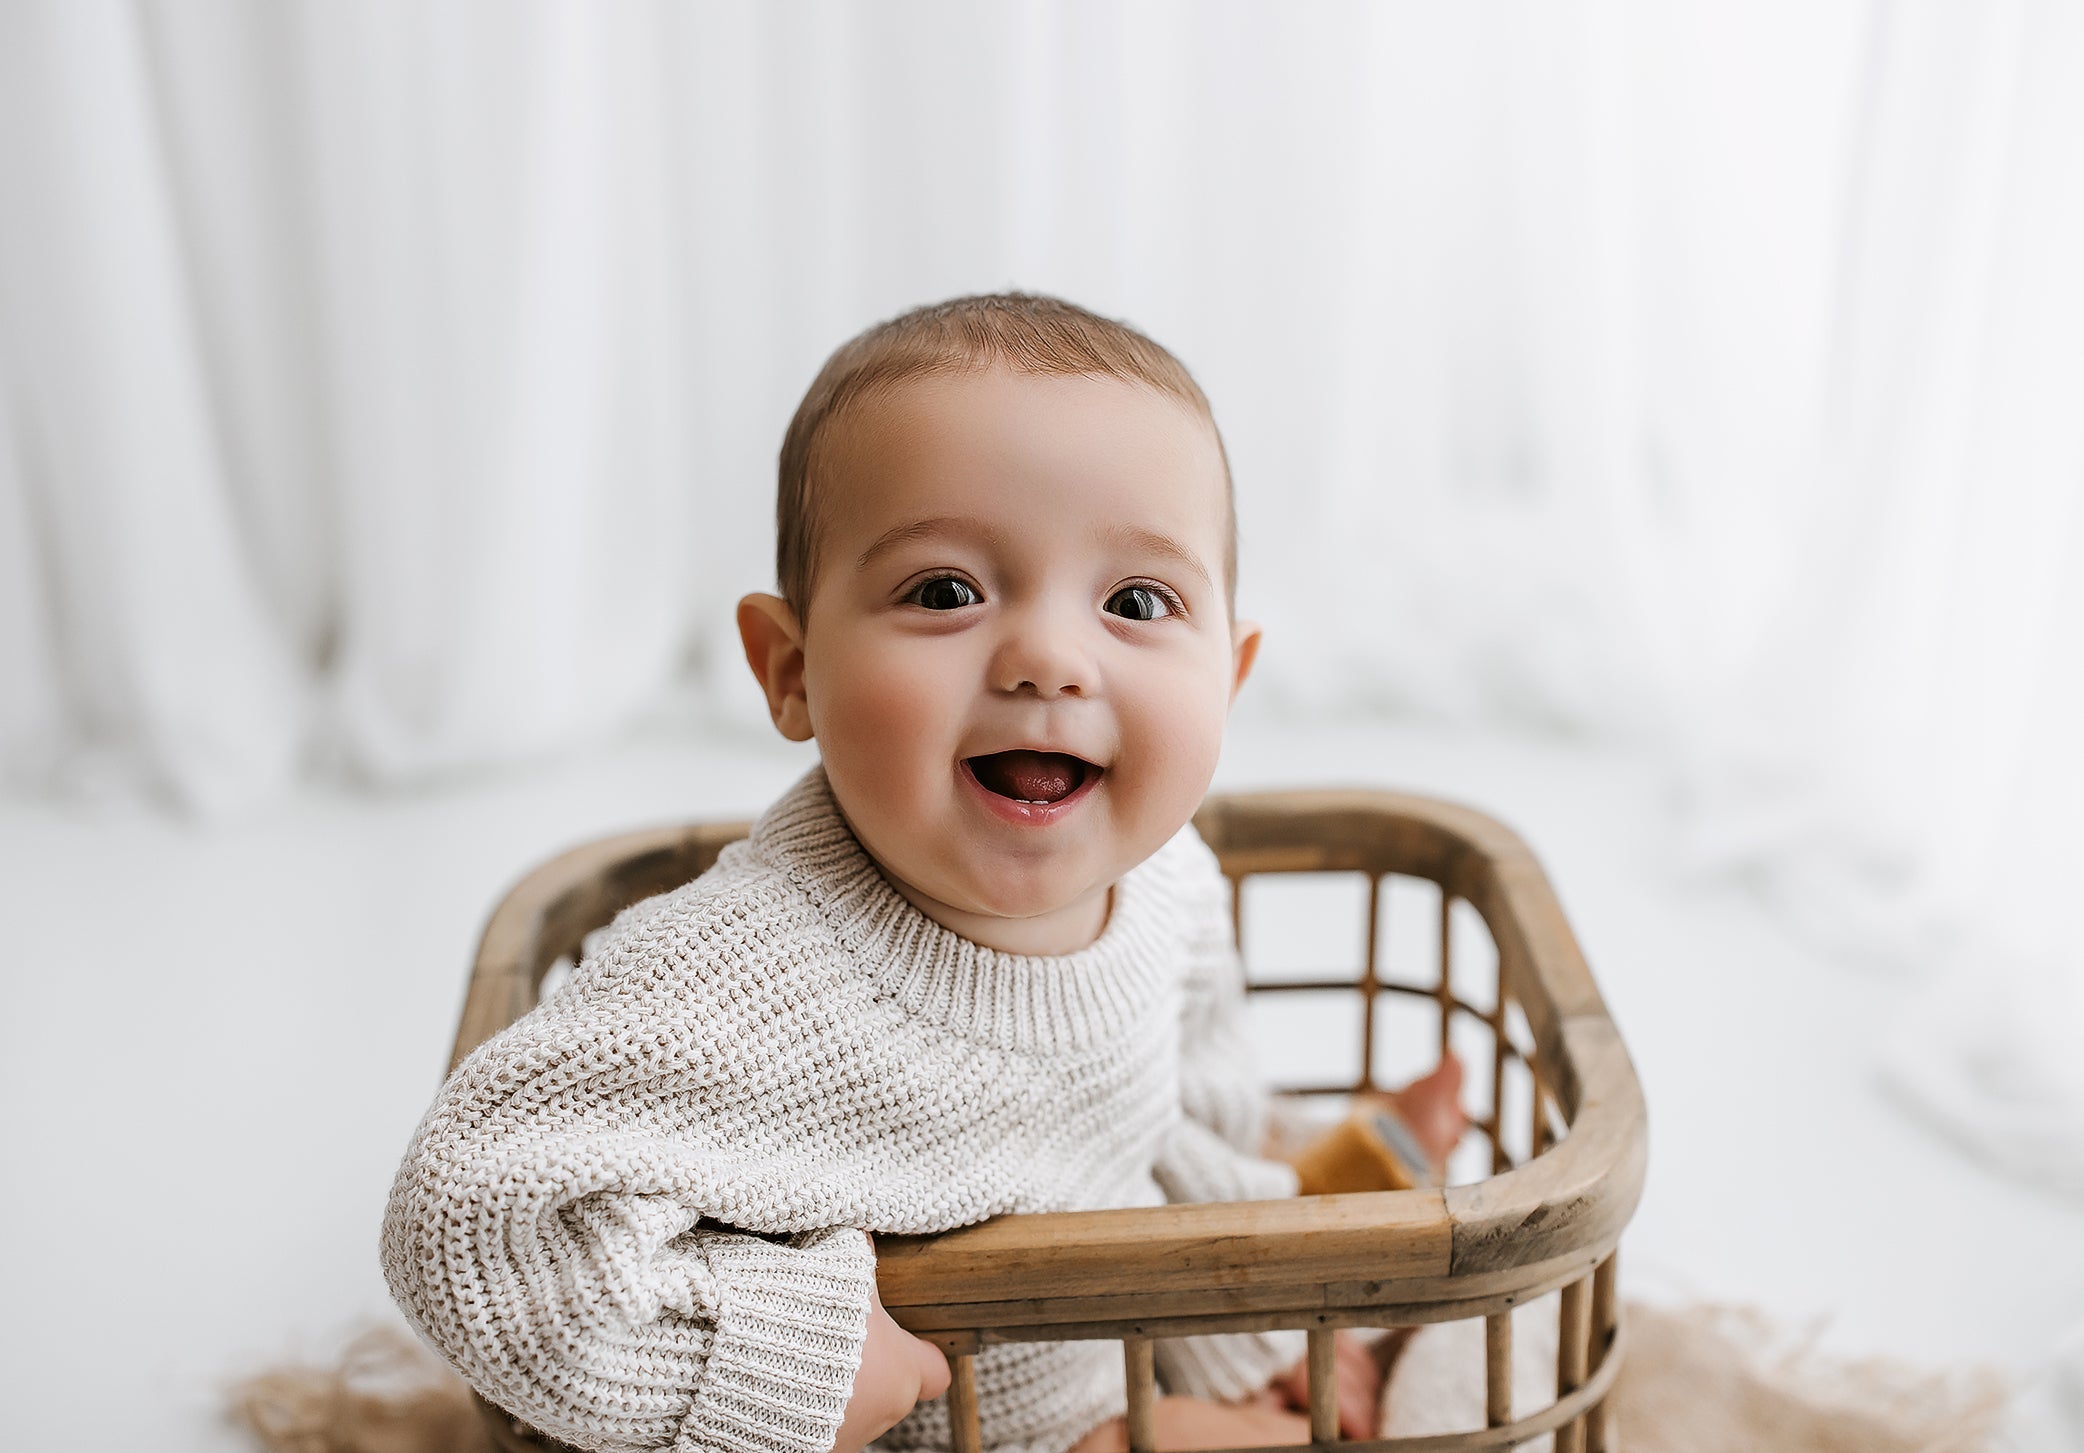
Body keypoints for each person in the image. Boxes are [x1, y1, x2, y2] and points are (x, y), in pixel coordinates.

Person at [380, 293, 1466, 1453]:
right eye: (945, 591)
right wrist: (773, 1364)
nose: (1049, 656)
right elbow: (463, 1222)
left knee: (1291, 1258)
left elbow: (1179, 1111)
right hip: (953, 1427)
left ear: (1229, 679)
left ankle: (1353, 1185)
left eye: (1136, 602)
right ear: (791, 670)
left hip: (1120, 1344)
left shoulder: (1168, 879)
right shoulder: (738, 980)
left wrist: (1270, 1331)